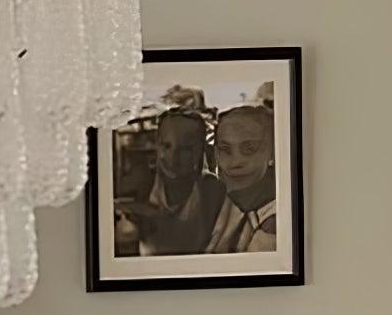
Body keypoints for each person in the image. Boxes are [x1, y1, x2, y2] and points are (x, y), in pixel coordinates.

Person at [115, 104, 225, 257]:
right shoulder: (140, 183)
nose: (173, 158)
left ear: (201, 150)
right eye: (166, 146)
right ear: (157, 145)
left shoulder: (213, 190)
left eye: (185, 149)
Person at [205, 104, 278, 253]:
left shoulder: (275, 223)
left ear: (272, 152)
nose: (236, 162)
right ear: (216, 153)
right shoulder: (214, 204)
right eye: (225, 149)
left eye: (249, 149)